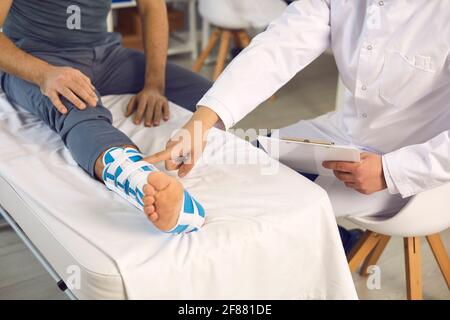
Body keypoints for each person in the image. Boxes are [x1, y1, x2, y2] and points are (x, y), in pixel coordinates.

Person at [148, 0, 450, 247]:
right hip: (346, 134)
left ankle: (319, 251)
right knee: (238, 163)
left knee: (254, 207)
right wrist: (203, 121)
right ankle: (338, 242)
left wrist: (389, 171)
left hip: (416, 171)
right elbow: (279, 47)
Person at [0, 0, 212, 234]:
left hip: (106, 56)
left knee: (208, 97)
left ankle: (256, 148)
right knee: (78, 110)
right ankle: (141, 182)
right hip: (40, 60)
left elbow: (152, 7)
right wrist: (45, 74)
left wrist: (154, 85)